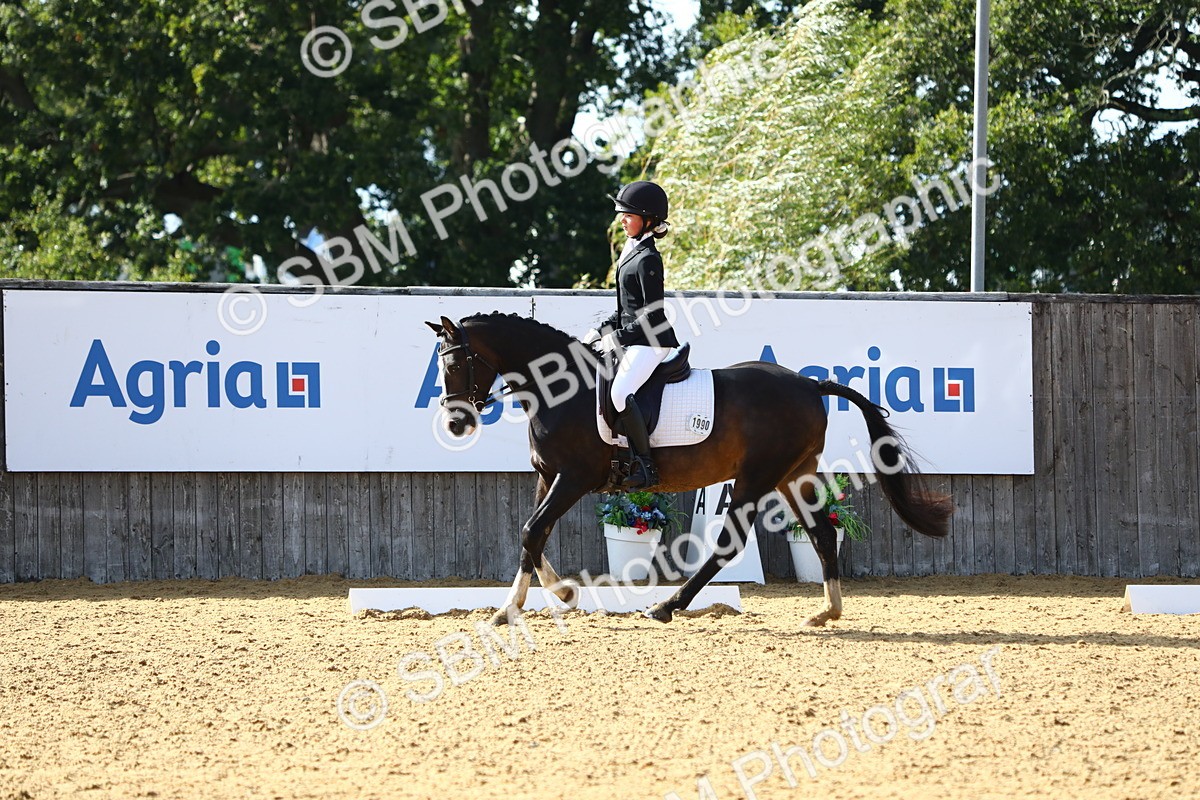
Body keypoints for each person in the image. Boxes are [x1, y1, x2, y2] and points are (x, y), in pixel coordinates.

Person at [582, 180, 681, 489]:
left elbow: (653, 315)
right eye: (621, 215)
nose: (622, 220)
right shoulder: (631, 253)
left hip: (652, 341)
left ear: (648, 220)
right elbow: (626, 310)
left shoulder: (649, 258)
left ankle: (646, 465)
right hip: (635, 337)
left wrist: (617, 338)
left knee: (620, 392)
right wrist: (599, 331)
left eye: (628, 215)